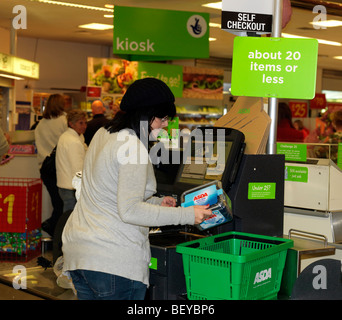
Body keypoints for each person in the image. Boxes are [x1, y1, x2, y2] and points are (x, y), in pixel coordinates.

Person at [61, 78, 212, 300]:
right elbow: (129, 211)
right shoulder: (133, 147)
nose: (164, 124)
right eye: (162, 118)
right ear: (145, 115)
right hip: (113, 262)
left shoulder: (104, 134)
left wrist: (156, 203)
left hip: (80, 255)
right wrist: (189, 214)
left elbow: (108, 192)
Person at [35, 94, 68, 236]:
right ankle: (51, 228)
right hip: (60, 166)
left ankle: (51, 228)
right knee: (64, 204)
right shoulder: (64, 120)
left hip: (45, 168)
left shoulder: (41, 124)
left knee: (57, 203)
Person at [56, 109, 87, 214]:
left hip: (65, 184)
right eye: (80, 123)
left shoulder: (66, 137)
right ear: (71, 124)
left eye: (85, 122)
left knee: (67, 216)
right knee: (70, 218)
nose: (84, 126)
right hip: (72, 187)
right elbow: (77, 168)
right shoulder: (74, 141)